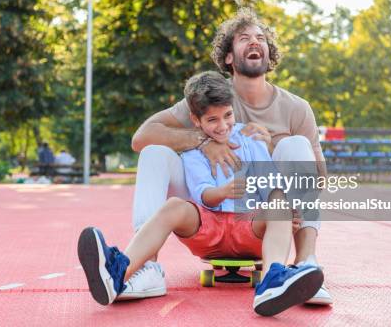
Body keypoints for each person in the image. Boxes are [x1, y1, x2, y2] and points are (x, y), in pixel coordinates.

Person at [127, 8, 332, 305]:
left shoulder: (297, 108)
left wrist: (271, 150)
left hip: (266, 217)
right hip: (207, 210)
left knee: (296, 146)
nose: (254, 42)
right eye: (244, 37)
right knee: (155, 153)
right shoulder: (210, 100)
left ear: (268, 52)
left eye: (261, 38)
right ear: (228, 56)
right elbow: (140, 138)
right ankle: (145, 267)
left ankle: (305, 266)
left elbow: (320, 178)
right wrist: (201, 140)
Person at [78, 71, 323, 317]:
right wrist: (223, 191)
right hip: (210, 228)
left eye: (228, 115)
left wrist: (283, 208)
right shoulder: (195, 151)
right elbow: (203, 195)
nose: (223, 125)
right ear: (196, 121)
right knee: (174, 206)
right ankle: (120, 271)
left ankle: (273, 281)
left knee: (279, 205)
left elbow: (270, 185)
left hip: (248, 225)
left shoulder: (250, 137)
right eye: (212, 120)